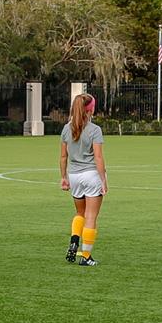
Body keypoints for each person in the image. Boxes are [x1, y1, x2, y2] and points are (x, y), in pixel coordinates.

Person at [57, 93, 106, 266]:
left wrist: (64, 177)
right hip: (91, 175)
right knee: (91, 216)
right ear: (90, 109)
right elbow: (98, 158)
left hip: (75, 175)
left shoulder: (66, 128)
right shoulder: (94, 130)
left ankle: (74, 240)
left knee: (80, 213)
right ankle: (86, 256)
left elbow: (63, 157)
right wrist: (103, 180)